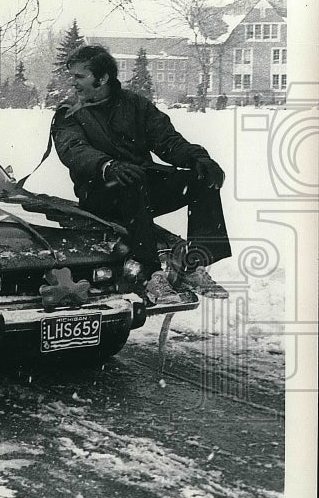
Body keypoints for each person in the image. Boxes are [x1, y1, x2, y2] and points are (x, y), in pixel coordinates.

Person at [51, 45, 230, 305]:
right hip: (99, 193)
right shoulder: (69, 112)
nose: (73, 83)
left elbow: (167, 140)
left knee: (202, 180)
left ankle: (193, 266)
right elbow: (73, 150)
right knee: (130, 182)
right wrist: (107, 165)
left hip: (141, 186)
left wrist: (198, 158)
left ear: (102, 79)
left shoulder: (135, 105)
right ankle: (149, 274)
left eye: (80, 76)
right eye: (73, 76)